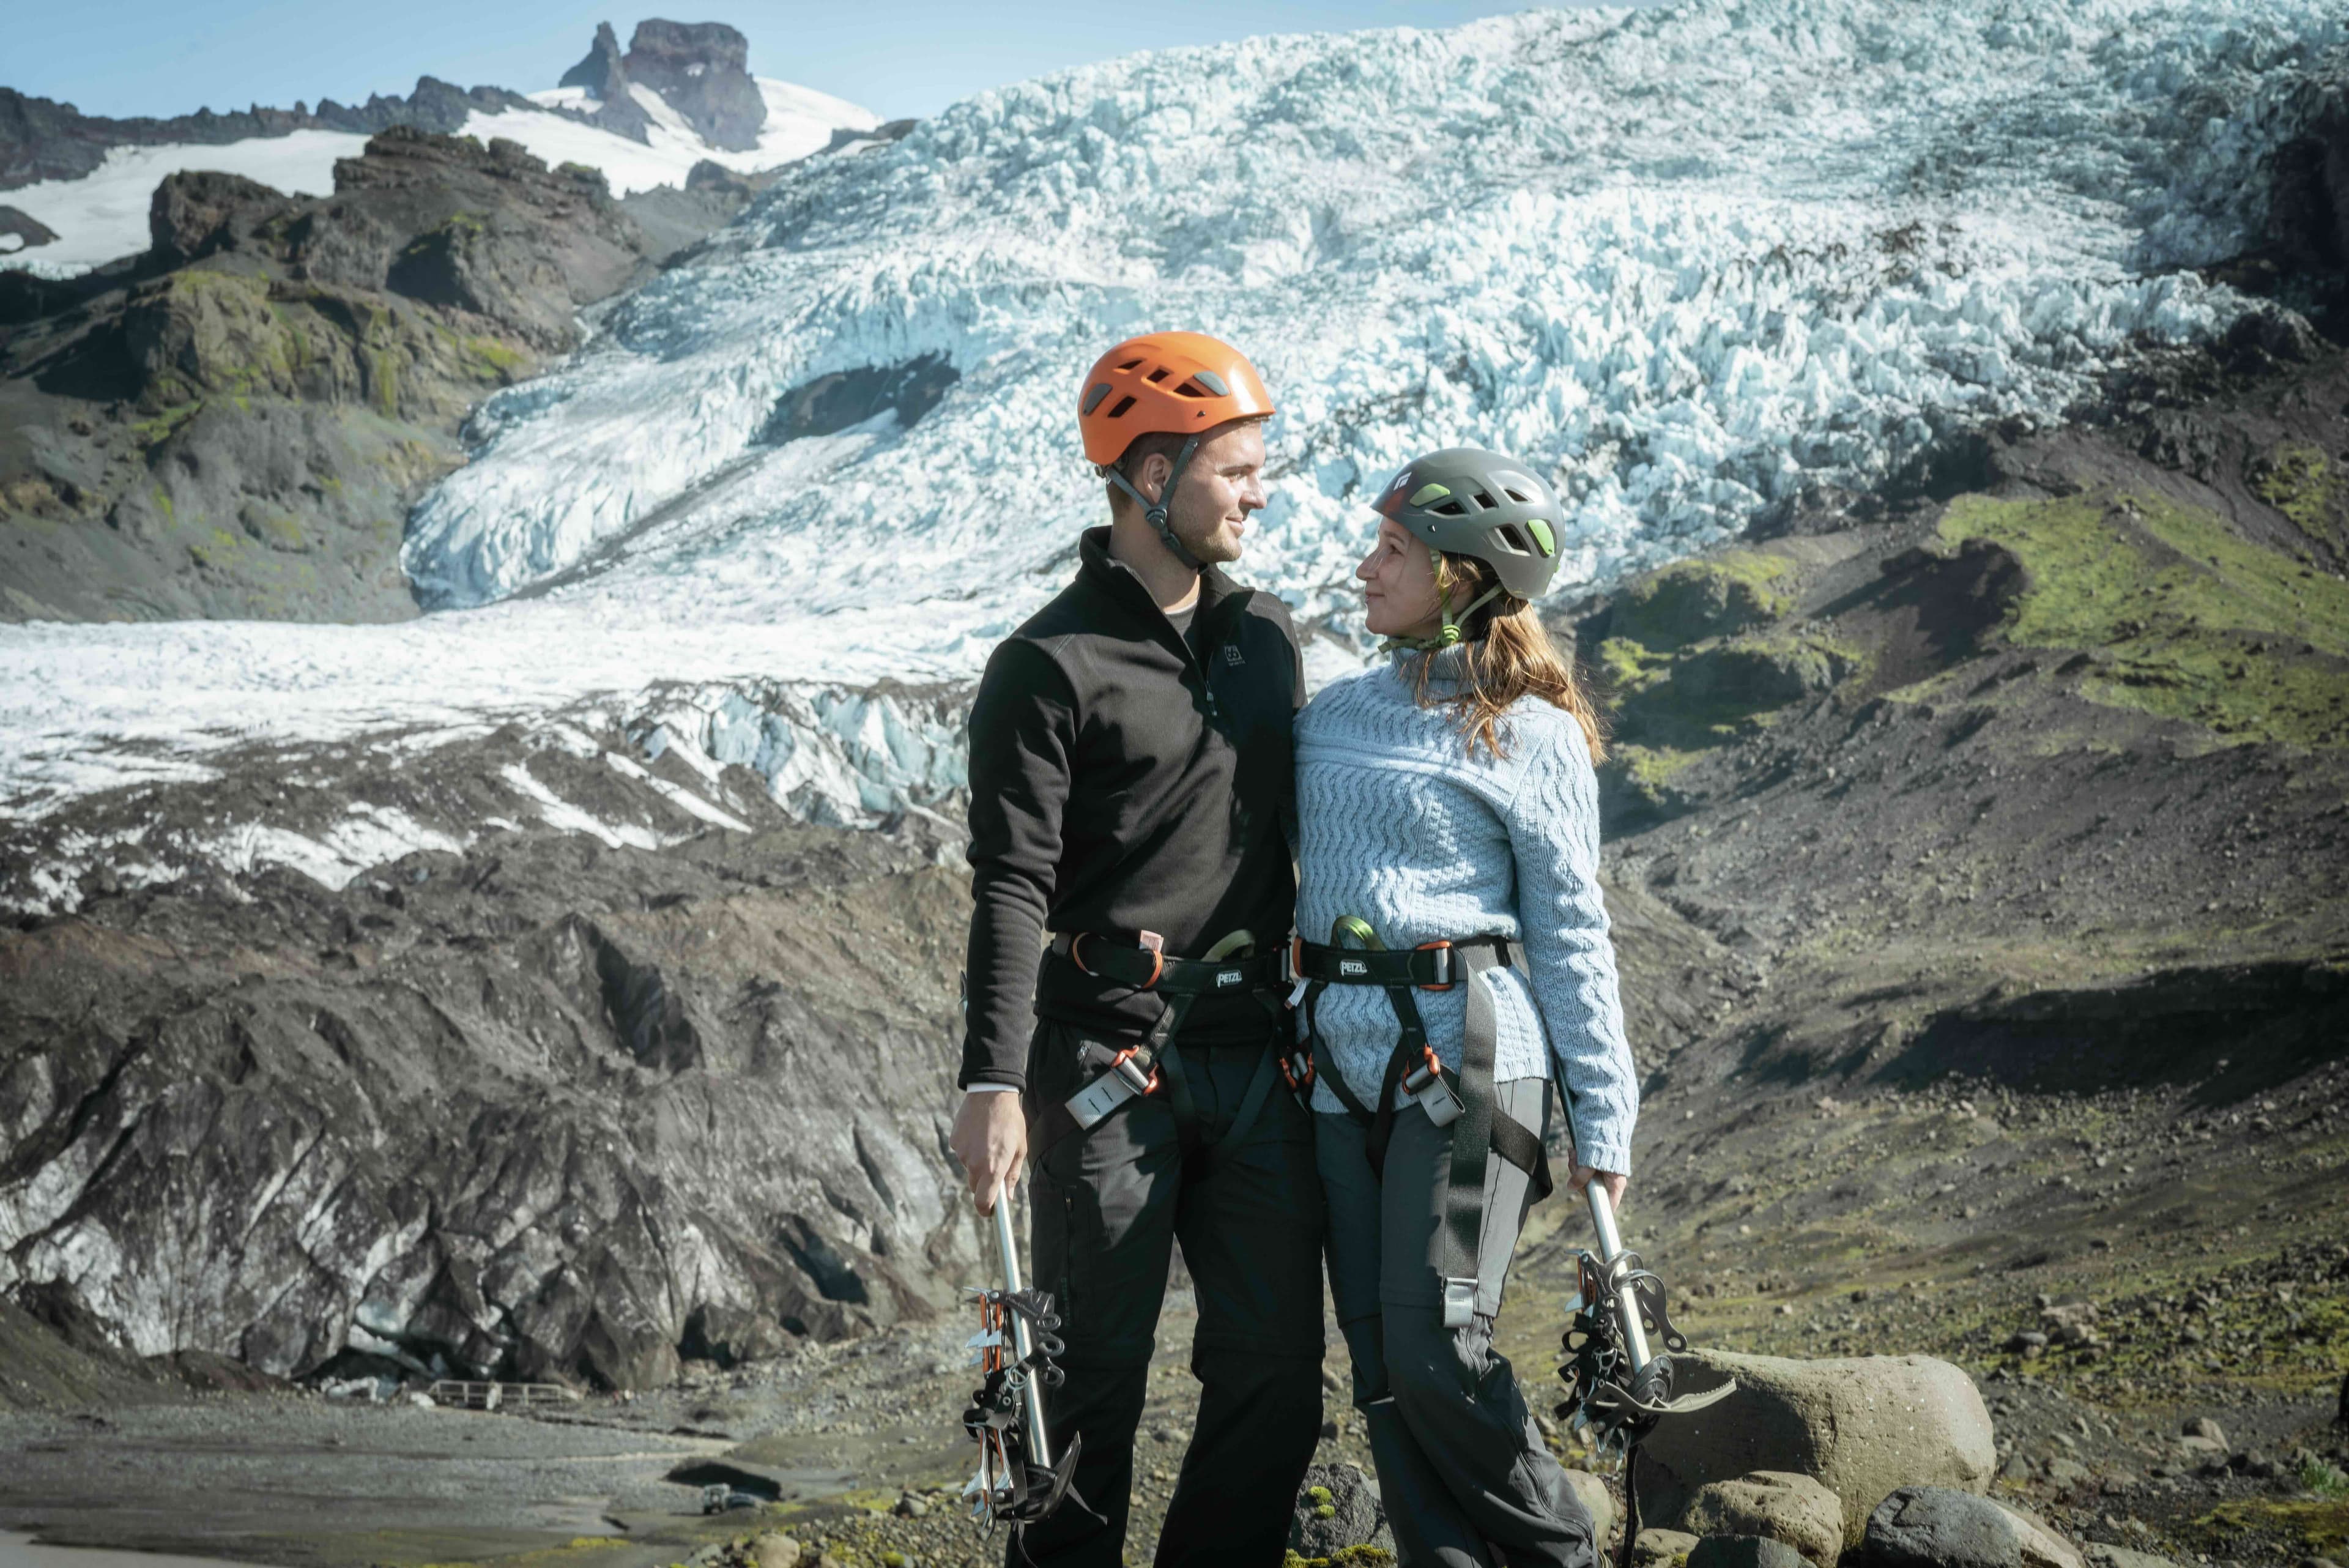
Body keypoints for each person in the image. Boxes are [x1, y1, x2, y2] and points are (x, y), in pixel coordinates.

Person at [948, 332, 1325, 1567]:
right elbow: (1010, 887)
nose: (1260, 493)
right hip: (1106, 1069)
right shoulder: (1047, 666)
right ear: (1152, 472)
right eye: (1238, 469)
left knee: (1276, 1375)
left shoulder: (1269, 640)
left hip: (1256, 1063)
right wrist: (992, 1082)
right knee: (1087, 1399)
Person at [1289, 447, 1636, 1568]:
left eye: (1392, 550)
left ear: (1459, 575)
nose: (1364, 568)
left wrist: (1603, 1121)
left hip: (1474, 1071)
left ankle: (1559, 1561)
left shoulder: (1531, 736)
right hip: (1338, 1080)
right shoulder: (1332, 714)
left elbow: (1572, 935)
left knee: (1442, 1350)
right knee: (1384, 1371)